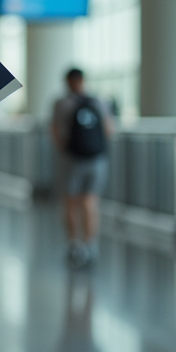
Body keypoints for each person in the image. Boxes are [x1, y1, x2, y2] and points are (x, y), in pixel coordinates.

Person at [51, 68, 114, 268]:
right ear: (83, 81)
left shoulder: (61, 103)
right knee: (90, 202)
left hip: (72, 159)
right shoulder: (99, 101)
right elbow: (109, 130)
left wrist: (65, 149)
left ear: (67, 82)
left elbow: (55, 131)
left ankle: (73, 244)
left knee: (70, 203)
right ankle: (91, 245)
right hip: (97, 160)